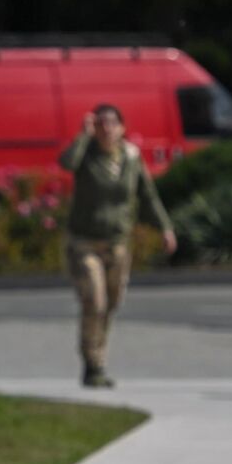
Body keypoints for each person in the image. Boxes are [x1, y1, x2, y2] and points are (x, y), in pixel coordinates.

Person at [58, 105, 176, 388]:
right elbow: (66, 163)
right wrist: (82, 137)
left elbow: (147, 195)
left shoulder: (131, 157)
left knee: (110, 304)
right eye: (101, 124)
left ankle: (99, 357)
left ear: (122, 127)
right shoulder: (85, 154)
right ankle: (92, 363)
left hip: (118, 243)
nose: (107, 129)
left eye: (112, 123)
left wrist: (165, 227)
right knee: (94, 301)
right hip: (85, 242)